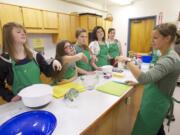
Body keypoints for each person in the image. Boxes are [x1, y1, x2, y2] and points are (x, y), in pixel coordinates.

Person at [116, 23, 180, 135]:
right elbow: (156, 78)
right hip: (153, 102)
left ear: (167, 38)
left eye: (155, 38)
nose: (152, 41)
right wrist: (137, 83)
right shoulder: (165, 55)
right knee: (157, 129)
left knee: (145, 130)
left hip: (155, 105)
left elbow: (145, 78)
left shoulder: (170, 59)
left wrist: (127, 61)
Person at [0, 22, 62, 102]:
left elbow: (48, 72)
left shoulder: (35, 55)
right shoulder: (4, 60)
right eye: (18, 32)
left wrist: (54, 62)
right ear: (9, 36)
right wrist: (10, 97)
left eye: (24, 31)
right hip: (20, 103)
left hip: (39, 97)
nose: (23, 33)